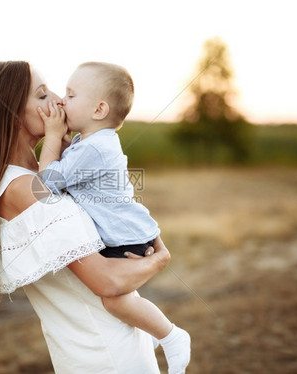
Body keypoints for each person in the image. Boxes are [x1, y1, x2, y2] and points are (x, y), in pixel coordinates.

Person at [0, 61, 172, 373]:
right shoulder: (24, 189)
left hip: (102, 346)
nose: (58, 100)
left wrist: (60, 149)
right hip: (103, 354)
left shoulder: (29, 178)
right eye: (41, 95)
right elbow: (107, 279)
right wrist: (158, 260)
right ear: (10, 115)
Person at [37, 62, 191, 374]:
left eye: (71, 94)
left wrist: (52, 136)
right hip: (125, 231)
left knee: (114, 300)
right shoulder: (90, 142)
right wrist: (64, 140)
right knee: (122, 298)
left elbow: (43, 188)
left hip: (125, 237)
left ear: (99, 109)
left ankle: (172, 335)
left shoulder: (95, 148)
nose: (62, 101)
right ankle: (156, 331)